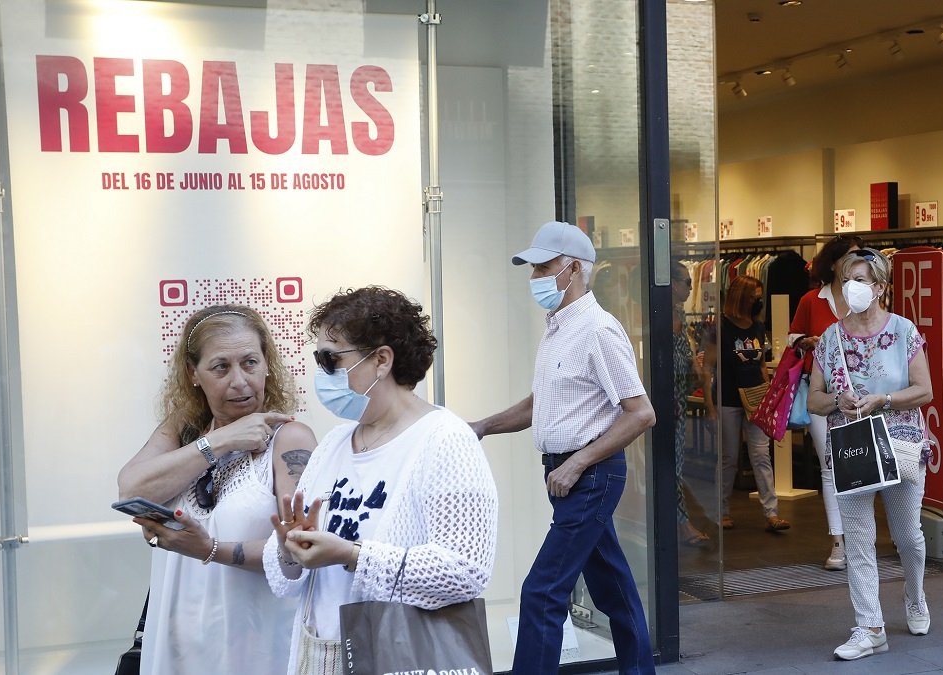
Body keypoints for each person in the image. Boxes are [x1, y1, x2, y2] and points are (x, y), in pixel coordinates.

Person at [264, 286, 498, 675]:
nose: (322, 372)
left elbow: (464, 571)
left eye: (331, 359)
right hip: (321, 653)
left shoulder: (445, 440)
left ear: (381, 360)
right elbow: (289, 579)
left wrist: (352, 555)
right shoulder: (335, 442)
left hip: (399, 656)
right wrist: (290, 549)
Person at [469, 220, 657, 674]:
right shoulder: (558, 327)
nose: (535, 278)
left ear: (574, 269)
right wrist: (482, 426)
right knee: (612, 589)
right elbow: (541, 404)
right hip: (568, 475)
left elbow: (641, 413)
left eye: (543, 267)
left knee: (542, 590)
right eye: (533, 269)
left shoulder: (598, 330)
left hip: (589, 476)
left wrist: (577, 464)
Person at [117, 305, 319, 675]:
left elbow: (299, 550)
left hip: (253, 652)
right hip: (177, 649)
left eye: (250, 363)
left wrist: (208, 549)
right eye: (221, 367)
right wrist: (221, 440)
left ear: (267, 364)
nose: (239, 381)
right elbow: (131, 490)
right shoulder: (185, 431)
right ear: (193, 373)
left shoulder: (289, 439)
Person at [807, 248, 934, 660]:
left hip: (899, 445)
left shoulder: (903, 331)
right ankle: (870, 627)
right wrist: (836, 401)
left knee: (908, 537)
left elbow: (925, 390)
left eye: (860, 280)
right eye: (847, 279)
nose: (851, 287)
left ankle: (915, 596)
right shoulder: (831, 337)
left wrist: (883, 399)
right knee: (859, 541)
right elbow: (813, 399)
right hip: (852, 449)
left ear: (880, 287)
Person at [788, 234, 864, 570]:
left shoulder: (864, 296)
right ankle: (838, 540)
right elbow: (792, 338)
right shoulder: (811, 300)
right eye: (849, 256)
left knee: (861, 463)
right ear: (833, 263)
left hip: (862, 393)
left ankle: (860, 535)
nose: (855, 263)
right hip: (820, 391)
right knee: (830, 466)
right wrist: (810, 341)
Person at [701, 274, 789, 532]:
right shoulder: (720, 328)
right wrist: (710, 407)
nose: (757, 302)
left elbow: (761, 365)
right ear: (741, 298)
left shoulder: (757, 326)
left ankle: (772, 513)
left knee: (761, 455)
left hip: (756, 399)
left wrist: (768, 398)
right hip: (728, 398)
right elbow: (707, 369)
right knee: (729, 457)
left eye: (758, 298)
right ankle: (721, 510)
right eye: (753, 298)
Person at [671, 260, 709, 546]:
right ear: (672, 284)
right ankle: (681, 524)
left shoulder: (679, 315)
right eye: (686, 282)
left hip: (677, 397)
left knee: (675, 463)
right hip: (667, 398)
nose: (690, 287)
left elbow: (682, 354)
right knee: (672, 465)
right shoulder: (662, 316)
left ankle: (680, 522)